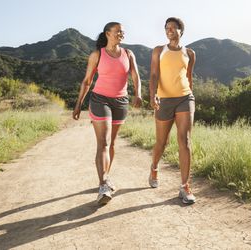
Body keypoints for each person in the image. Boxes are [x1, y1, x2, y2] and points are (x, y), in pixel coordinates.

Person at [73, 22, 142, 205]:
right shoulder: (97, 55)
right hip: (99, 99)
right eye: (118, 31)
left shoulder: (128, 54)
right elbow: (87, 81)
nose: (122, 33)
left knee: (111, 143)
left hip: (121, 101)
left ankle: (106, 176)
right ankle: (103, 184)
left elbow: (135, 75)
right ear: (108, 33)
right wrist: (78, 103)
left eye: (122, 31)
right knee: (103, 142)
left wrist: (138, 93)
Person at [148, 17, 196, 204]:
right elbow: (153, 75)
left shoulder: (190, 53)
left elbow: (189, 77)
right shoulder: (159, 51)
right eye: (167, 28)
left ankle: (184, 186)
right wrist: (153, 95)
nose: (169, 30)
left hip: (185, 97)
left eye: (173, 28)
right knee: (162, 142)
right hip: (164, 99)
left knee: (184, 140)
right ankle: (154, 167)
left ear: (180, 31)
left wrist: (191, 95)